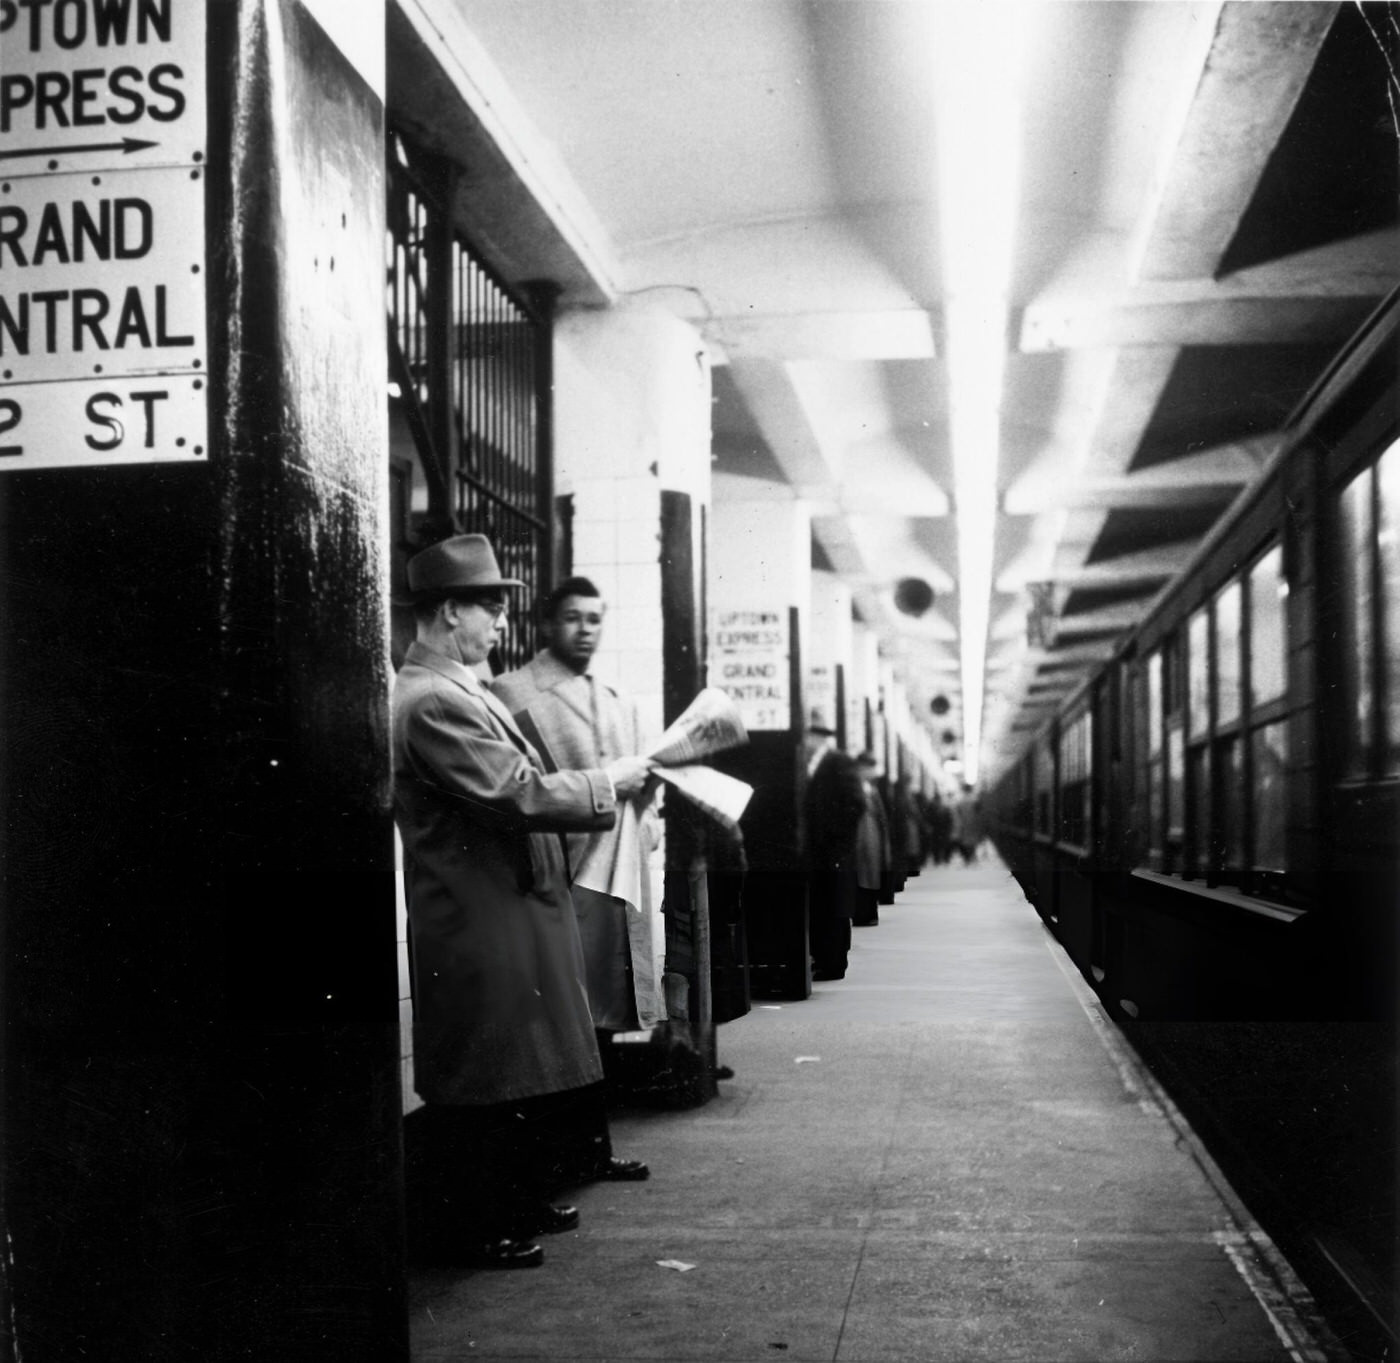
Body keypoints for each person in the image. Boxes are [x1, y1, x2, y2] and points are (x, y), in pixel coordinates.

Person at [392, 535, 652, 1269]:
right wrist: (609, 782)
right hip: (478, 912)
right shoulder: (434, 699)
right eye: (488, 605)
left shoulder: (456, 686)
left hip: (504, 903)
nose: (500, 620)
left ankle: (511, 1198)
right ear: (448, 613)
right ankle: (476, 1222)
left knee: (516, 1063)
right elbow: (516, 791)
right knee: (487, 1069)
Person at [492, 578, 665, 1054]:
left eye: (594, 620)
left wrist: (648, 823)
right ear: (547, 623)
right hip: (557, 869)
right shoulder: (512, 693)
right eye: (572, 619)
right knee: (562, 993)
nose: (585, 630)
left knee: (612, 986)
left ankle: (604, 1084)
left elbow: (642, 787)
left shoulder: (617, 699)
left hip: (618, 867)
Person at [801, 720, 866, 980]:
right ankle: (824, 959)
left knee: (834, 907)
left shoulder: (838, 762)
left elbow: (855, 804)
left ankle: (834, 964)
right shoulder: (815, 764)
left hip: (834, 851)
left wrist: (837, 841)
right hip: (819, 851)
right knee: (824, 907)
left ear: (814, 737)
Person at [852, 751, 891, 927]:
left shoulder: (871, 788)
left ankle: (869, 911)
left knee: (871, 873)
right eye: (870, 767)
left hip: (871, 835)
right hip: (861, 835)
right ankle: (863, 913)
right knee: (863, 874)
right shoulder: (856, 786)